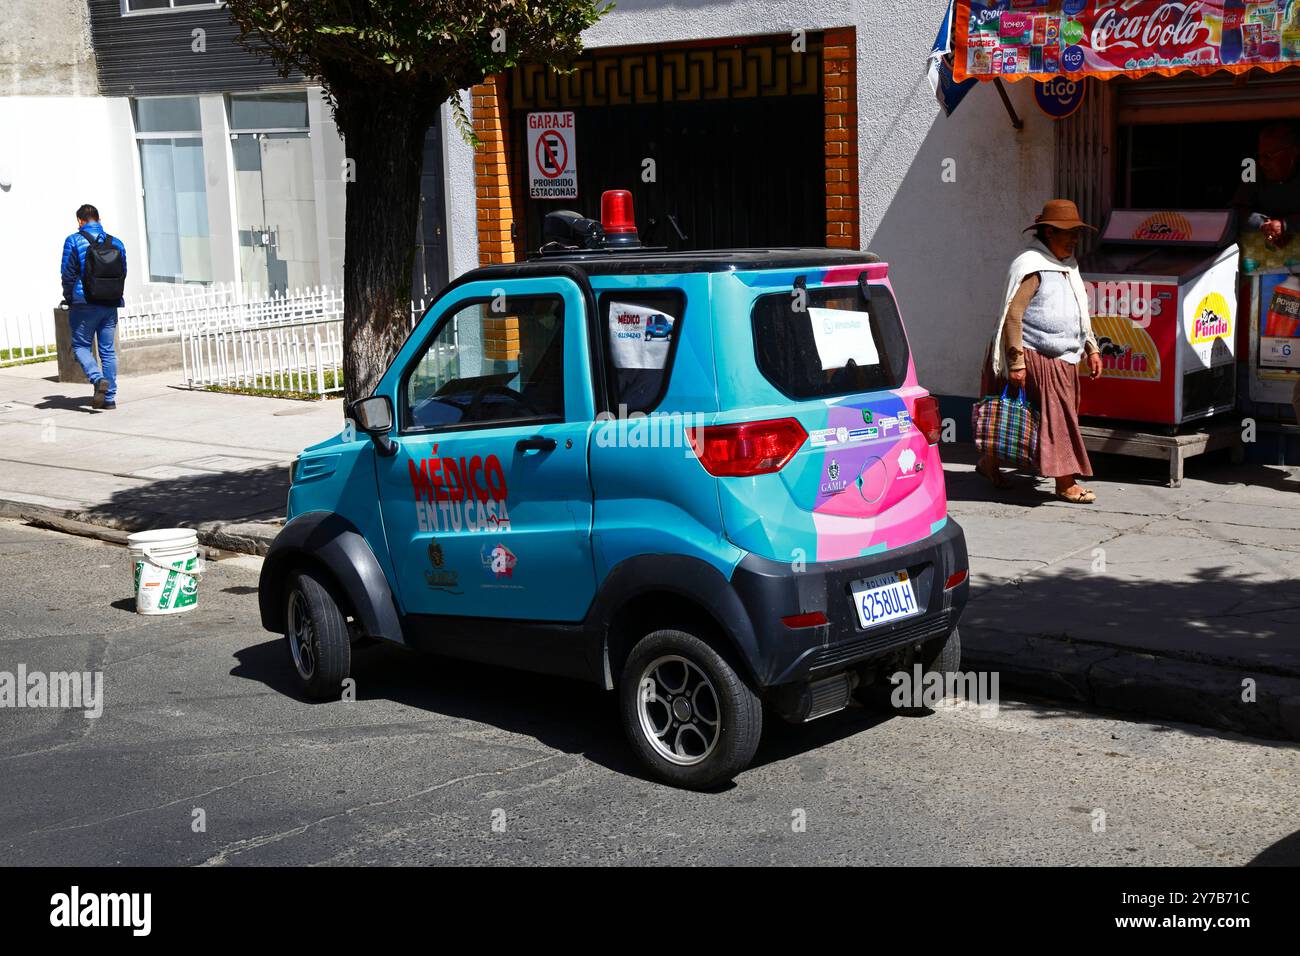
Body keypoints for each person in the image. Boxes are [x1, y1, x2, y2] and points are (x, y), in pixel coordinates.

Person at [977, 199, 1103, 503]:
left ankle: (988, 462)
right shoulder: (1032, 266)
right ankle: (1065, 482)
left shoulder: (1066, 266)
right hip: (1034, 355)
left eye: (1076, 233)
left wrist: (1091, 347)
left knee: (1017, 416)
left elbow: (1078, 312)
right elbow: (1014, 315)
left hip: (1062, 357)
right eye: (1067, 233)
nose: (1074, 239)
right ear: (1048, 233)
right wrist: (1016, 363)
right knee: (1057, 421)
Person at [60, 204, 127, 409]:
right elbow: (122, 272)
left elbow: (68, 274)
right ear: (99, 219)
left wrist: (69, 297)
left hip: (84, 303)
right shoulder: (116, 242)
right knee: (107, 351)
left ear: (80, 221)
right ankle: (109, 399)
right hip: (110, 303)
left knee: (80, 346)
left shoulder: (73, 240)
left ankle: (97, 379)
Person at [1233, 121, 1300, 249]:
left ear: (1294, 151)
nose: (1262, 163)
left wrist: (1286, 225)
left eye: (1269, 156)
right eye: (1260, 156)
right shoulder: (1252, 169)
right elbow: (1236, 211)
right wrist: (1264, 225)